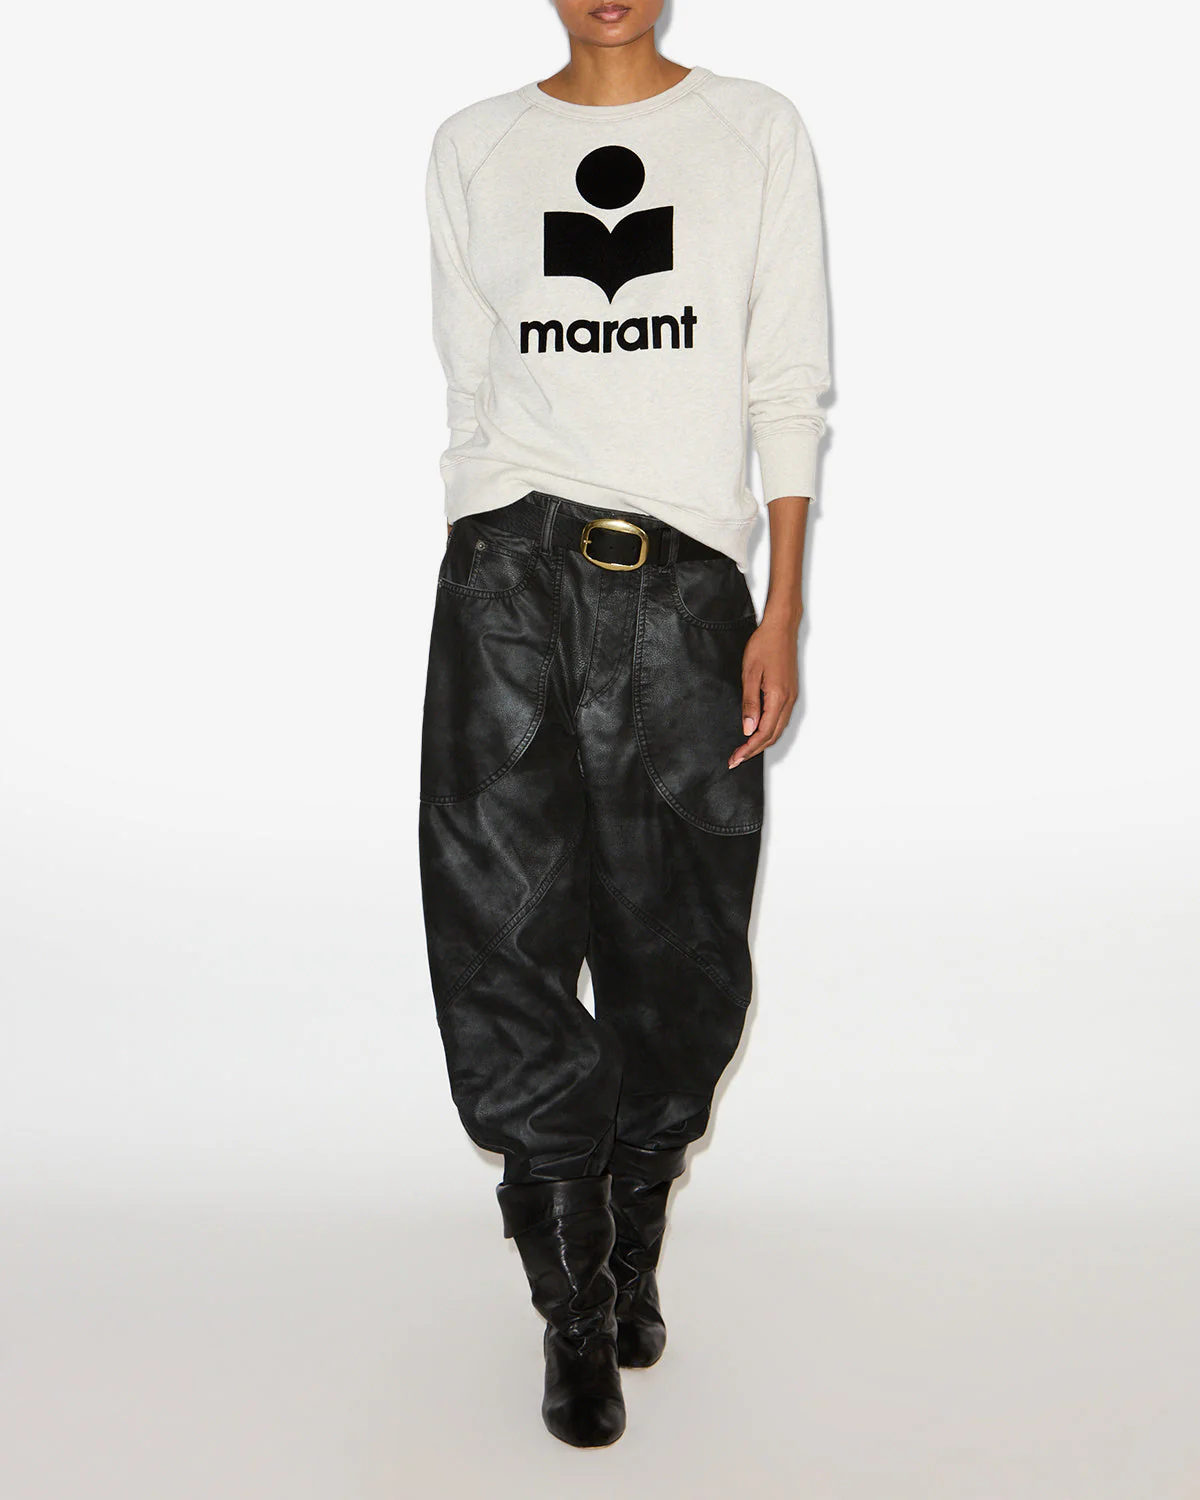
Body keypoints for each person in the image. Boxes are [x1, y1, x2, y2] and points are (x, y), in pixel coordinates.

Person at [418, 0, 829, 1449]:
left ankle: (631, 1228)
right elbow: (471, 383)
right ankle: (575, 1307)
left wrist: (780, 607)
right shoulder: (476, 146)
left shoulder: (752, 131)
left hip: (689, 590)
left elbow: (785, 375)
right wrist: (479, 565)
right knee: (502, 931)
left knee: (683, 945)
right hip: (510, 577)